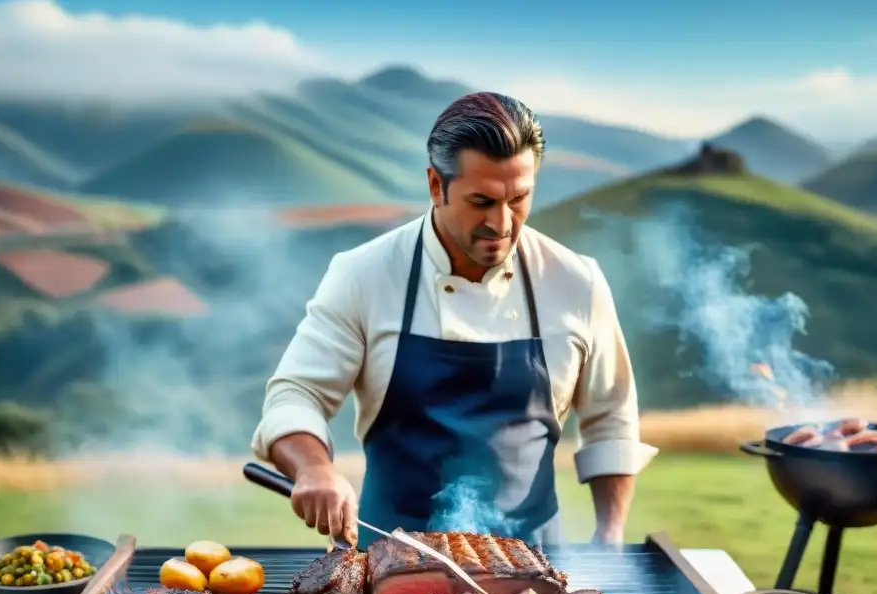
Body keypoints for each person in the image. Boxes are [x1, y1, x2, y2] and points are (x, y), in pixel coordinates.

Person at [251, 91, 658, 549]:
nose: (502, 223)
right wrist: (313, 468)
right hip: (390, 554)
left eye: (519, 198)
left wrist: (609, 535)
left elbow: (611, 419)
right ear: (435, 185)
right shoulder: (363, 274)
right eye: (481, 201)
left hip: (534, 563)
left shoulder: (575, 282)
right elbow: (295, 393)